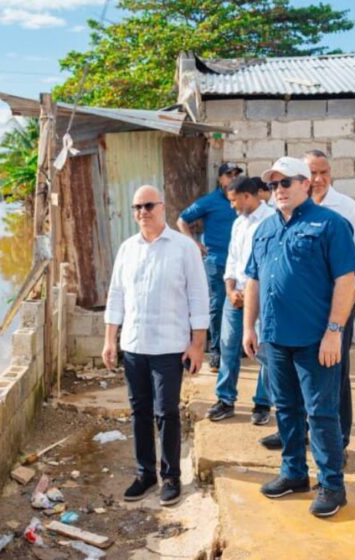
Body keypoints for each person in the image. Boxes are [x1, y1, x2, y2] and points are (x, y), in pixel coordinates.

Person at [243, 157, 355, 518]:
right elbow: (254, 280)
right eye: (273, 185)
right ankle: (294, 473)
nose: (278, 190)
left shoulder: (330, 224)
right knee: (287, 409)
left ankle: (332, 485)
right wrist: (250, 327)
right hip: (276, 339)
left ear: (305, 184)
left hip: (315, 340)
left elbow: (346, 281)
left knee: (321, 413)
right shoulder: (264, 229)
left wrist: (334, 332)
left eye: (286, 183)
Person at [258, 150, 355, 453]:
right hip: (296, 314)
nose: (318, 179)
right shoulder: (281, 214)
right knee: (292, 379)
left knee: (334, 376)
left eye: (324, 172)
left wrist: (336, 324)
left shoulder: (347, 211)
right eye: (313, 173)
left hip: (340, 306)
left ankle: (339, 440)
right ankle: (295, 433)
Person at [102, 185, 209, 507]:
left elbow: (198, 296)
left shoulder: (183, 248)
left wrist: (197, 344)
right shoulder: (127, 249)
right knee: (140, 412)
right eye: (137, 207)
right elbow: (116, 295)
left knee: (167, 412)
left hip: (169, 346)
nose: (143, 213)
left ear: (163, 207)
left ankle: (171, 476)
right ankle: (145, 473)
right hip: (135, 344)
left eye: (149, 206)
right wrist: (110, 339)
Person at [205, 176, 274, 423]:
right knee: (228, 347)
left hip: (263, 298)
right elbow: (232, 259)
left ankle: (263, 404)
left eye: (234, 201)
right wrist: (230, 289)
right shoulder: (239, 224)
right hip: (235, 296)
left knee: (264, 350)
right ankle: (225, 399)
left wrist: (252, 292)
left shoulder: (272, 220)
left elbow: (272, 264)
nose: (232, 206)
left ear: (247, 196)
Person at [178, 163, 240, 372]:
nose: (232, 178)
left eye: (236, 175)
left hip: (240, 263)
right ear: (220, 179)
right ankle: (216, 351)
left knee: (240, 303)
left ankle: (234, 347)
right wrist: (193, 243)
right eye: (228, 175)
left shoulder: (242, 200)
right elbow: (182, 220)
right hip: (216, 261)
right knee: (217, 304)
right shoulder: (210, 201)